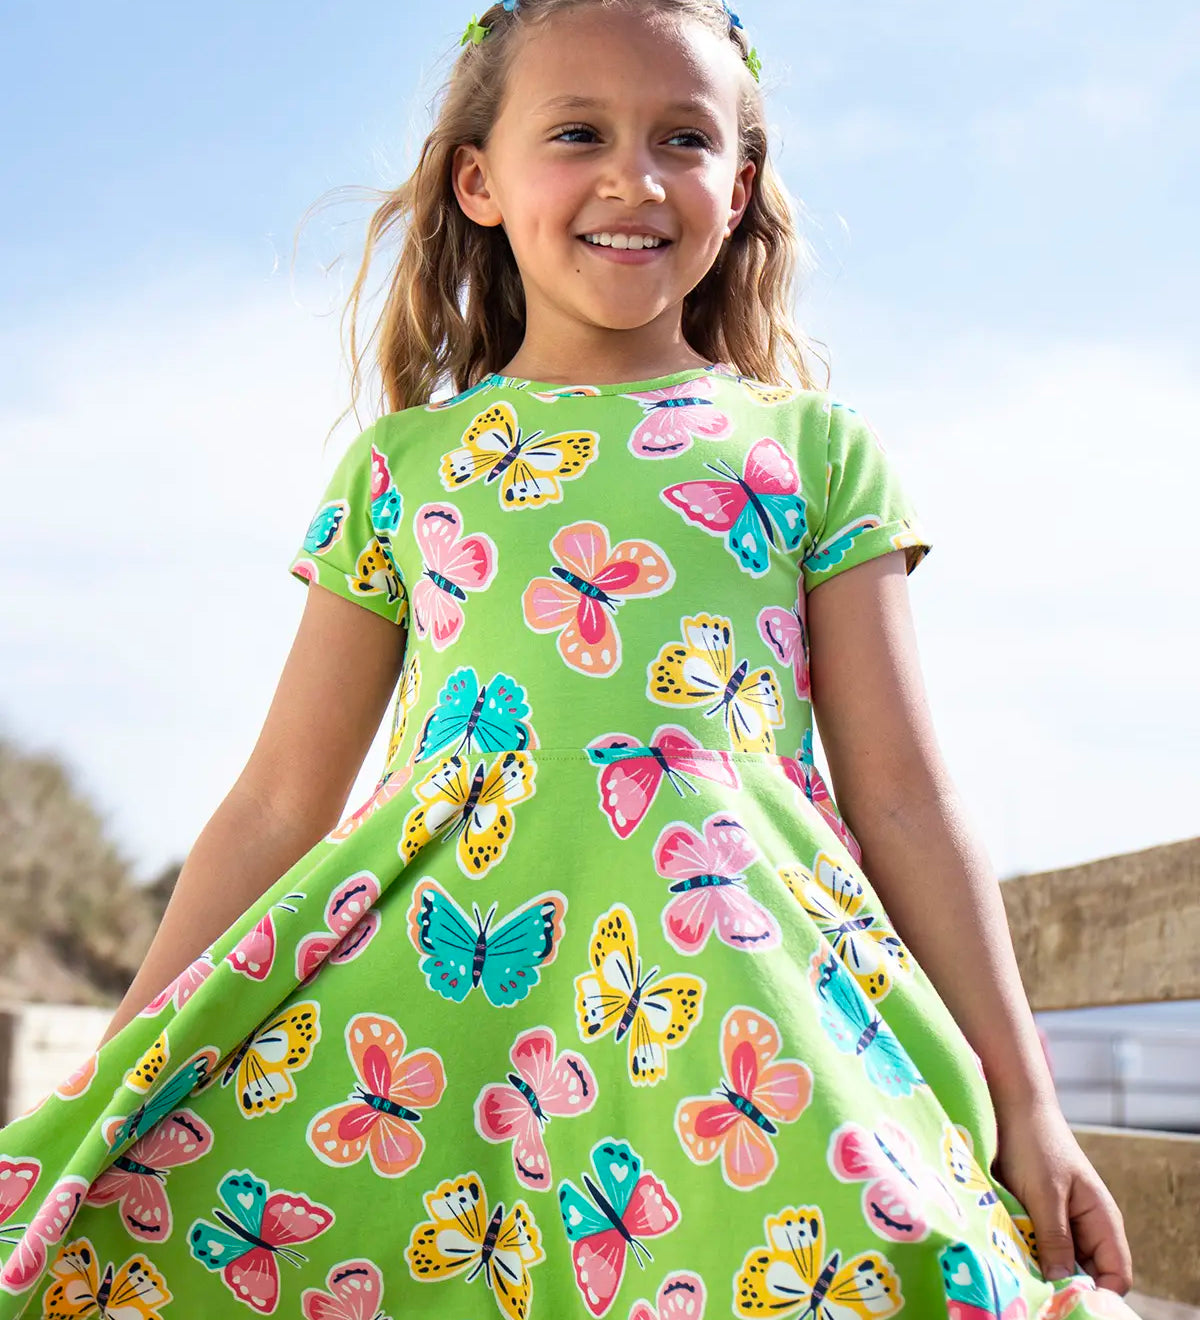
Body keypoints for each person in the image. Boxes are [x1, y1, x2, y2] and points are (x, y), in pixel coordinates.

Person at [0, 3, 1141, 1317]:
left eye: (684, 138)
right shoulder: (405, 468)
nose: (633, 176)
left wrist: (1032, 1106)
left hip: (734, 1001)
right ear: (478, 181)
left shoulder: (816, 450)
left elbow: (904, 798)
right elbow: (278, 800)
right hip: (440, 996)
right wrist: (136, 1051)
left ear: (741, 186)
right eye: (579, 133)